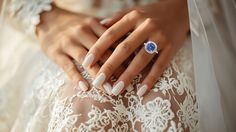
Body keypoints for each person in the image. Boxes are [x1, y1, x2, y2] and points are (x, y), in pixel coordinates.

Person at [0, 0, 235, 131]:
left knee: (164, 100)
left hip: (183, 20)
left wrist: (182, 9)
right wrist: (43, 18)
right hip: (66, 22)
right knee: (84, 104)